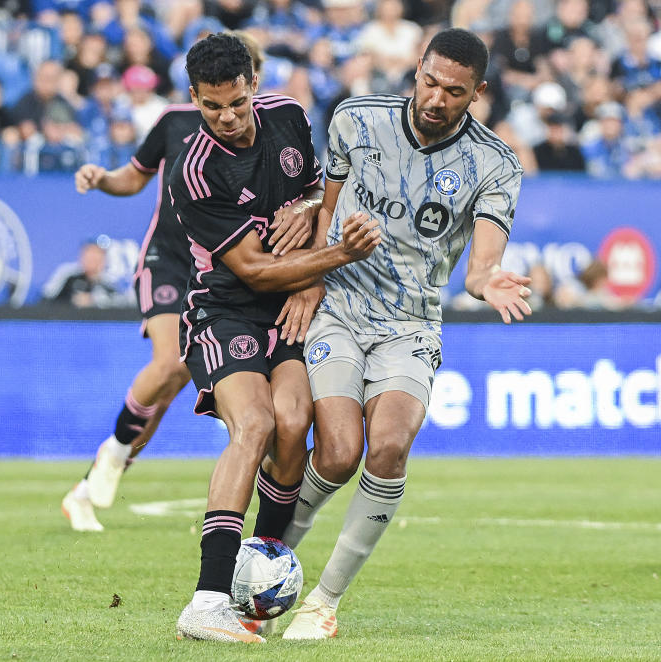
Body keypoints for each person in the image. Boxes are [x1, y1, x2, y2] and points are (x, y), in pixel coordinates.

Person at [275, 28, 532, 640]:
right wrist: (309, 281)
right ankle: (267, 556)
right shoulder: (355, 119)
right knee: (336, 453)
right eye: (430, 82)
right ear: (417, 69)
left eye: (454, 91)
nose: (437, 99)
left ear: (478, 93)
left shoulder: (495, 163)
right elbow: (326, 207)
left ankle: (323, 603)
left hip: (411, 322)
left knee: (387, 445)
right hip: (339, 305)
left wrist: (488, 280)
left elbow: (479, 269)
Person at [168, 33, 381, 644]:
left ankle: (256, 576)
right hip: (224, 312)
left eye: (235, 102)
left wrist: (312, 204)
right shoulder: (196, 168)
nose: (226, 118)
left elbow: (320, 191)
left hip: (289, 308)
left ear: (253, 86)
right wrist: (337, 255)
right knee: (256, 425)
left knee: (293, 422)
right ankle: (206, 602)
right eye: (211, 107)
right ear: (194, 99)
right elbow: (255, 270)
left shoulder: (289, 117)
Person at [62, 33, 271, 534]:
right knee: (170, 362)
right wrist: (101, 177)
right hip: (170, 259)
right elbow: (133, 178)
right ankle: (113, 451)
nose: (229, 107)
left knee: (174, 383)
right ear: (199, 91)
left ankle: (91, 483)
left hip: (218, 268)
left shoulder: (270, 133)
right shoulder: (175, 123)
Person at [42, 239, 127, 308]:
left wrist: (94, 301)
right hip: (66, 324)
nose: (93, 260)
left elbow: (123, 305)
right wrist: (72, 302)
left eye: (97, 256)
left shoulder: (108, 283)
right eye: (90, 255)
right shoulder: (68, 275)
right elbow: (46, 300)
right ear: (82, 257)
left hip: (98, 326)